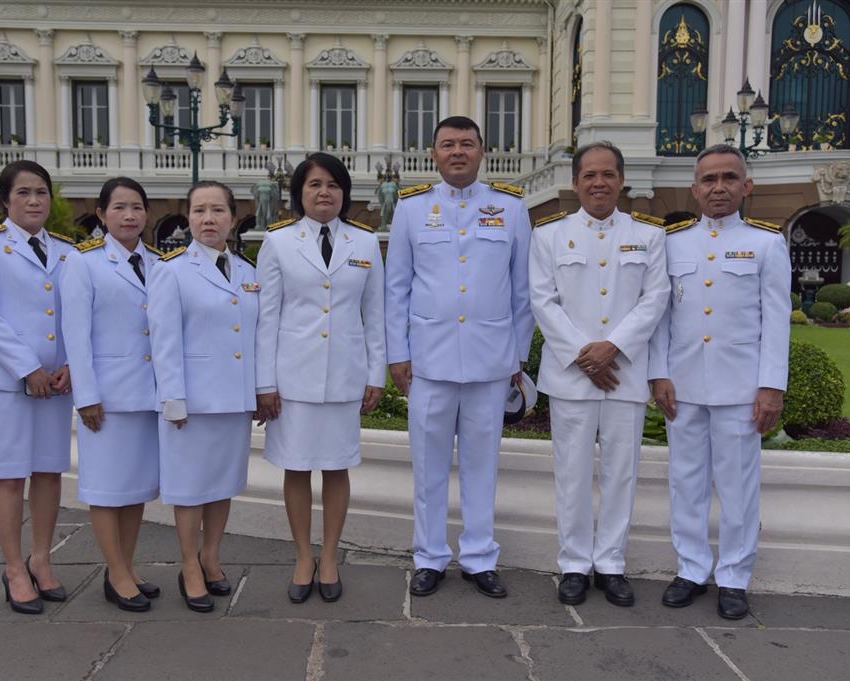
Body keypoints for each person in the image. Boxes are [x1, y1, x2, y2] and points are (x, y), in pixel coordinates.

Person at [384, 116, 533, 599]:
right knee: (427, 466)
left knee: (481, 463)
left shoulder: (510, 207)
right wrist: (398, 354)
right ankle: (428, 556)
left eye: (466, 144)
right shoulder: (411, 208)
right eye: (448, 144)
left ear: (481, 151)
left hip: (491, 361)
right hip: (428, 360)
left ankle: (478, 557)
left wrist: (517, 356)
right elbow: (396, 288)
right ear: (433, 154)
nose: (457, 152)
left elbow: (522, 291)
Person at [648, 144, 791, 620]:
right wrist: (659, 372)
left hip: (740, 387)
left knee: (738, 486)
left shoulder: (767, 243)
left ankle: (734, 575)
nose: (719, 188)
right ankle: (690, 568)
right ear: (694, 188)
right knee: (685, 482)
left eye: (729, 178)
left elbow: (776, 322)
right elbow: (661, 316)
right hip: (683, 385)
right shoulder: (673, 242)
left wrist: (771, 386)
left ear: (746, 187)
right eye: (708, 180)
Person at [529, 142, 670, 608]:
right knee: (570, 472)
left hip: (625, 373)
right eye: (589, 175)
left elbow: (656, 298)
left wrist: (613, 348)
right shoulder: (550, 234)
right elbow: (542, 301)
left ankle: (610, 563)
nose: (599, 183)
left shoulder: (648, 235)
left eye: (608, 174)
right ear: (575, 182)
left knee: (620, 473)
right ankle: (573, 563)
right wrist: (583, 355)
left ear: (622, 180)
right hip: (572, 376)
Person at [255, 152, 386, 604]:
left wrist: (376, 375)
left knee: (336, 466)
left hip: (345, 376)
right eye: (314, 185)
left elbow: (376, 315)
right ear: (299, 194)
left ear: (345, 193)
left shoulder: (365, 245)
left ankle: (329, 556)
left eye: (332, 184)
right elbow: (265, 317)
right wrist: (264, 383)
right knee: (296, 466)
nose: (324, 192)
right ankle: (302, 557)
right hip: (292, 379)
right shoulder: (278, 243)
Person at [0, 160, 76, 614]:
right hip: (7, 382)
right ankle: (13, 568)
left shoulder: (66, 250)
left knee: (48, 473)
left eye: (41, 192)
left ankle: (41, 558)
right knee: (9, 475)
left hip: (55, 383)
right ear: (6, 200)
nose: (34, 201)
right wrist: (27, 368)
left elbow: (74, 313)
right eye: (24, 192)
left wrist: (70, 364)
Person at [148, 181, 258, 614]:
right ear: (187, 219)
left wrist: (258, 391)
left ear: (232, 218)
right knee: (190, 489)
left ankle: (212, 555)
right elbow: (164, 340)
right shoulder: (171, 270)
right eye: (199, 211)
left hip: (233, 399)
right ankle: (189, 564)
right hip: (192, 401)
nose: (208, 219)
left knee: (221, 484)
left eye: (217, 211)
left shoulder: (247, 272)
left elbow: (252, 337)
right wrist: (172, 397)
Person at [60, 177, 165, 612]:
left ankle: (125, 565)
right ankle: (115, 573)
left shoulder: (158, 261)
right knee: (106, 489)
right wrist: (86, 395)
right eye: (119, 207)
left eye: (137, 207)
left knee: (135, 488)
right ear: (102, 214)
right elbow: (76, 335)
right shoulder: (82, 262)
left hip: (148, 394)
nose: (129, 215)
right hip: (106, 397)